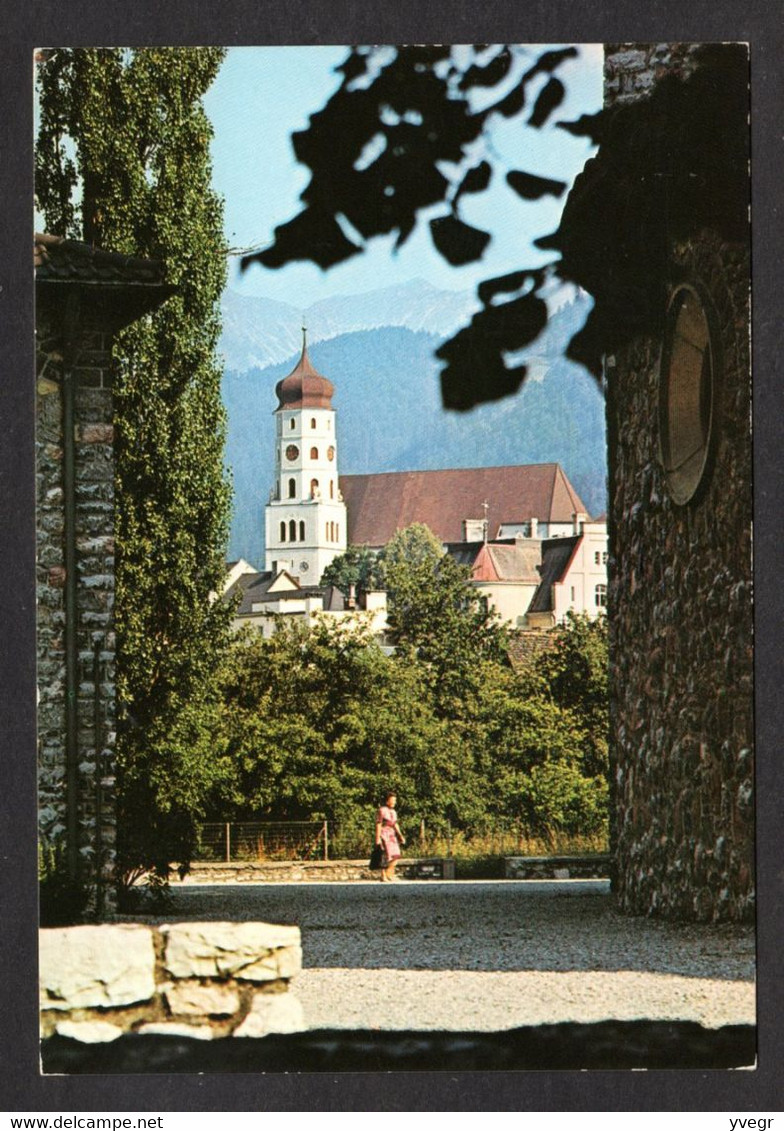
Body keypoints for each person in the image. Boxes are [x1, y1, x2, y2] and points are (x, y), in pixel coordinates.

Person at [375, 791, 405, 882]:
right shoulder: (382, 810)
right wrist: (377, 838)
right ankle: (384, 875)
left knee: (396, 855)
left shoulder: (394, 812)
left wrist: (400, 835)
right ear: (387, 801)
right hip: (384, 834)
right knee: (385, 855)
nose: (394, 802)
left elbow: (395, 824)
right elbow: (378, 824)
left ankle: (389, 873)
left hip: (392, 834)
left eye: (395, 800)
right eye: (392, 800)